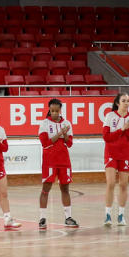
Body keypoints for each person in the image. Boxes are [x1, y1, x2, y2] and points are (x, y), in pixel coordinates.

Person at [38, 99, 79, 230]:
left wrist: (65, 134)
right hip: (49, 161)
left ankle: (68, 217)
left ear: (61, 110)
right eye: (52, 110)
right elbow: (45, 142)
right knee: (46, 189)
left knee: (65, 189)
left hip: (64, 161)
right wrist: (60, 134)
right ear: (49, 110)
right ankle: (42, 218)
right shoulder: (44, 123)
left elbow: (70, 143)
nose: (55, 113)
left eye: (57, 110)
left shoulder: (67, 123)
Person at [102, 92, 129, 226]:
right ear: (118, 103)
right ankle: (107, 214)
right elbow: (106, 137)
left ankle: (121, 214)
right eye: (124, 101)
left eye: (128, 101)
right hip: (111, 153)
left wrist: (127, 130)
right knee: (111, 183)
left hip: (125, 155)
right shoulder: (110, 116)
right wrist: (121, 129)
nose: (127, 103)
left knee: (123, 185)